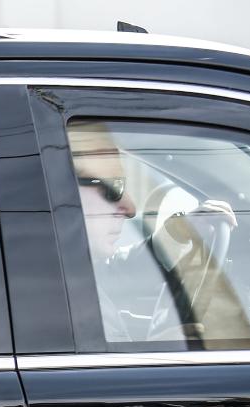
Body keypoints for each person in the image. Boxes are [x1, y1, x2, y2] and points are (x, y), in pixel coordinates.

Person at [68, 123, 238, 342]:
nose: (130, 208)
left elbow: (117, 274)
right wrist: (163, 350)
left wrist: (175, 234)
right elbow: (92, 376)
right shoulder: (46, 299)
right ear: (60, 188)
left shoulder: (63, 273)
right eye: (112, 187)